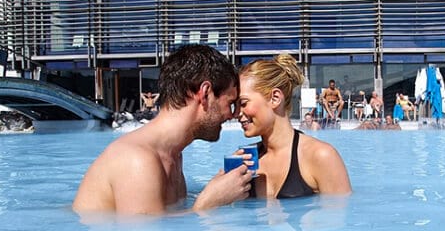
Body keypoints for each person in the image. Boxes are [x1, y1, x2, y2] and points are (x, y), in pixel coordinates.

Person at [73, 44, 253, 216]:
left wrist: (219, 190)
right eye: (230, 104)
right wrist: (208, 204)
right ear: (205, 93)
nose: (233, 115)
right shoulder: (136, 159)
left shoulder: (173, 156)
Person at [236, 54, 352, 199]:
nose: (236, 113)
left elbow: (341, 217)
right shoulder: (243, 160)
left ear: (275, 98)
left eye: (243, 103)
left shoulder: (322, 157)